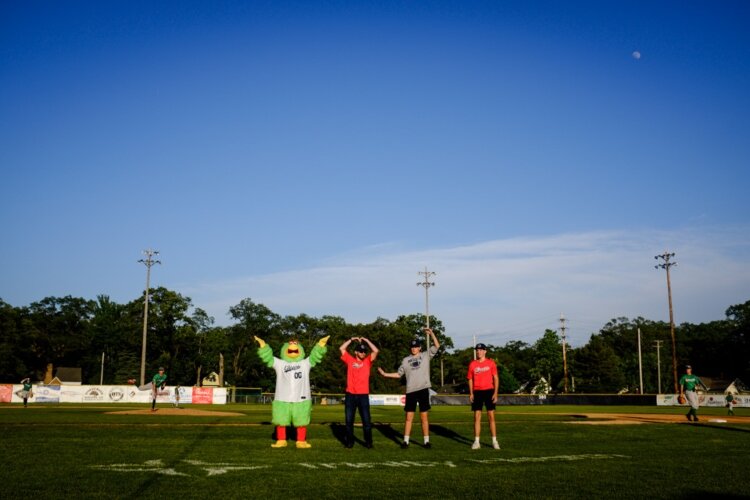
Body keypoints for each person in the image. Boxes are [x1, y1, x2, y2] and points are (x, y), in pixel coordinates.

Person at [378, 327, 440, 449]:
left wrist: (431, 333)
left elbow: (437, 346)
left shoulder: (425, 355)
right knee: (408, 417)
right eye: (412, 347)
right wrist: (385, 374)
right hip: (411, 391)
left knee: (424, 417)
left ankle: (426, 441)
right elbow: (398, 374)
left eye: (416, 346)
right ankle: (405, 441)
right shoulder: (406, 360)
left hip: (423, 389)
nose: (414, 348)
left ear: (420, 348)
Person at [339, 336, 379, 448]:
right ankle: (350, 442)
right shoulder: (350, 360)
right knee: (349, 421)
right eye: (360, 351)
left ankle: (368, 442)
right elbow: (342, 348)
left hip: (363, 396)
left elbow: (376, 350)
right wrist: (351, 340)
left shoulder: (367, 361)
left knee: (366, 421)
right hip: (350, 395)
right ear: (356, 352)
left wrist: (367, 340)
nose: (363, 353)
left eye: (364, 351)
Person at [467, 343, 500, 450]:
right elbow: (470, 379)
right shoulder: (472, 364)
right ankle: (477, 442)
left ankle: (494, 441)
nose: (479, 352)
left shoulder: (491, 363)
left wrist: (495, 393)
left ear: (485, 351)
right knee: (477, 417)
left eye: (481, 350)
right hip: (477, 392)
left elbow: (496, 378)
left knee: (491, 416)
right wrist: (471, 393)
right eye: (477, 350)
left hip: (489, 391)